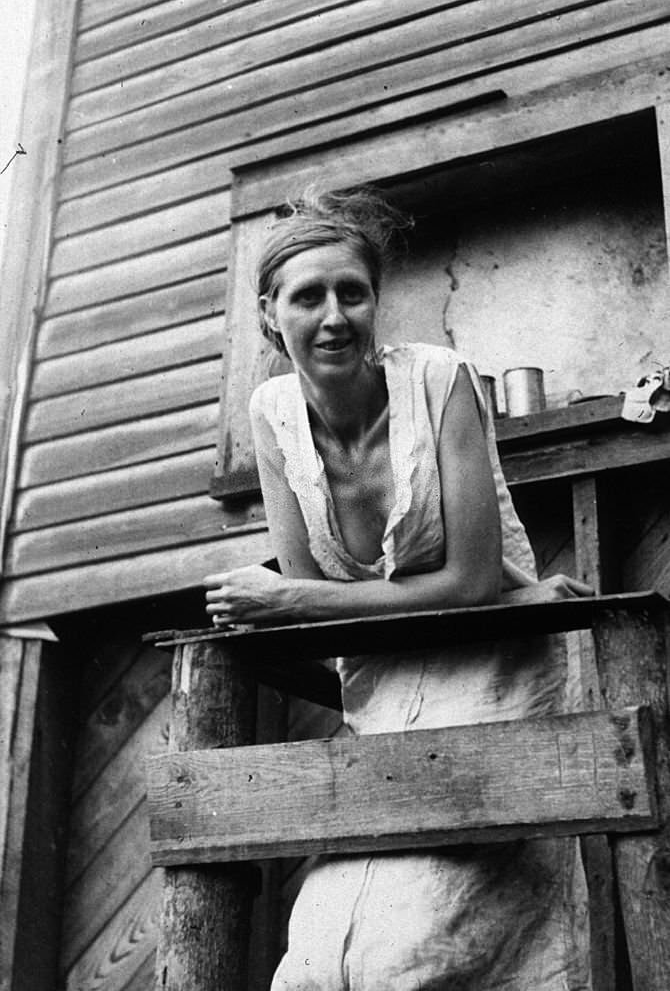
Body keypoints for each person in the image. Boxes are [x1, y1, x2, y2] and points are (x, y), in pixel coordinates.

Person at [204, 189, 593, 990]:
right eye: (308, 297)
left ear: (376, 301)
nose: (336, 315)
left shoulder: (439, 381)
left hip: (497, 676)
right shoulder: (272, 414)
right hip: (378, 699)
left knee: (406, 956)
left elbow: (470, 579)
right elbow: (326, 628)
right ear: (271, 317)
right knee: (313, 963)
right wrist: (302, 608)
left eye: (354, 291)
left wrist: (292, 602)